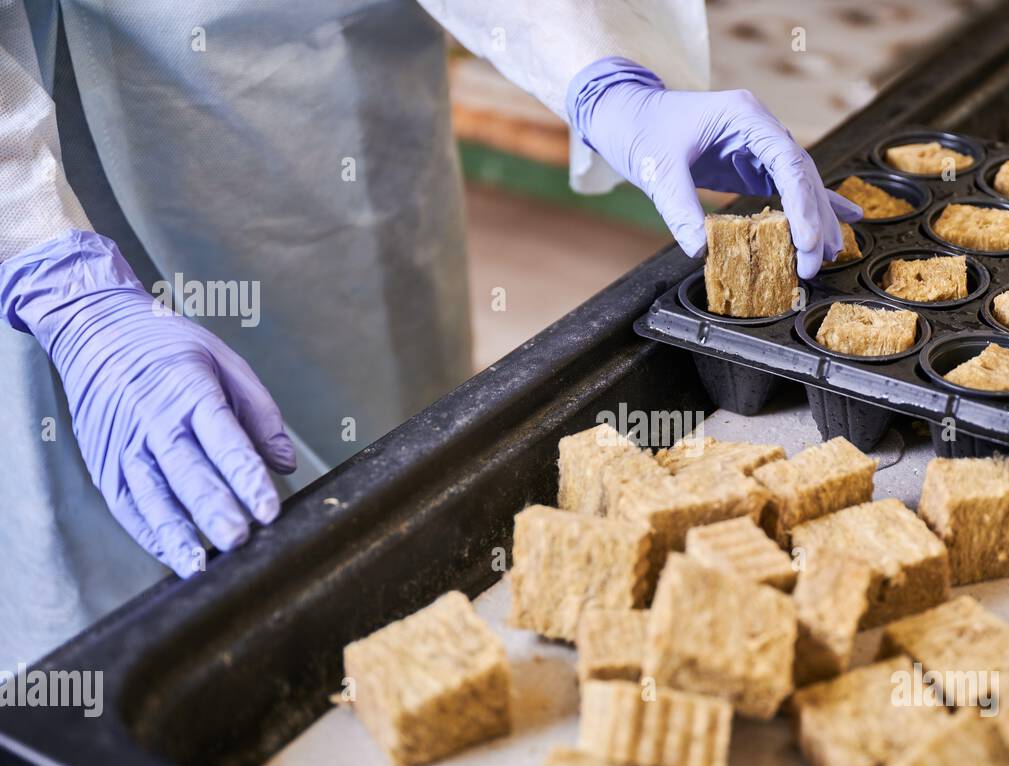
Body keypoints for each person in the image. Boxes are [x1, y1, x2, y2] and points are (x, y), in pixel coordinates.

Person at [0, 0, 858, 670]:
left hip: (299, 117)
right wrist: (56, 280)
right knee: (87, 622)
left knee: (393, 513)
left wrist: (599, 72)